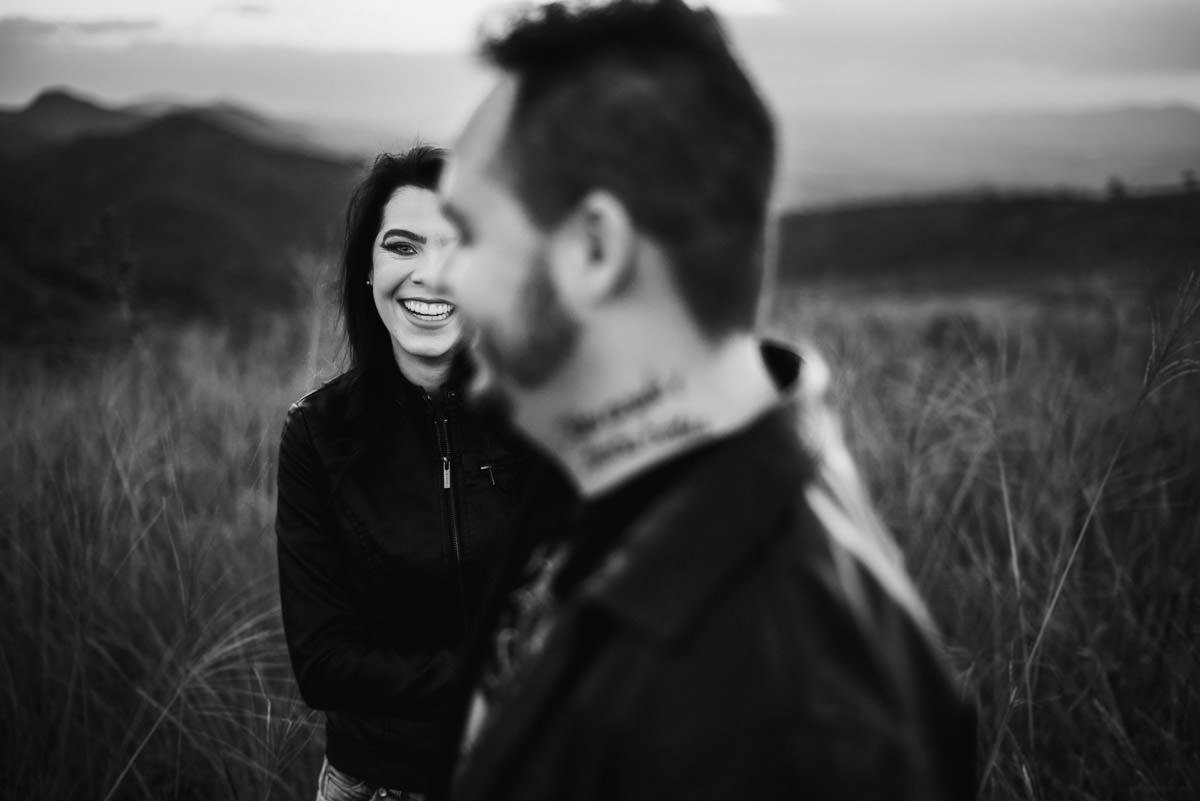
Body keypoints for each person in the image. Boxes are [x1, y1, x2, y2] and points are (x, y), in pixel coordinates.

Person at [432, 1, 978, 799]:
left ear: (594, 249)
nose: (442, 279)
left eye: (467, 234)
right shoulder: (651, 491)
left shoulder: (781, 726)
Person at [274, 145, 550, 801]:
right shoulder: (317, 434)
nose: (431, 274)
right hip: (376, 782)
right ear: (368, 272)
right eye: (402, 247)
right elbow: (323, 664)